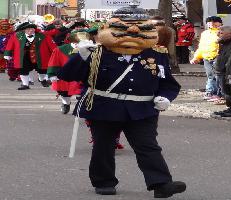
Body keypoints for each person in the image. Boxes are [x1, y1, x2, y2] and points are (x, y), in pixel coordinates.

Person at [58, 4, 186, 198]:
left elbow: (169, 84)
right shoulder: (97, 53)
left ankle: (161, 184)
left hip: (142, 109)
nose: (133, 31)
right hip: (104, 107)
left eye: (140, 27)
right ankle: (104, 181)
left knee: (148, 146)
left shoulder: (156, 54)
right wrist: (80, 57)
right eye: (125, 27)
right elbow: (67, 75)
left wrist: (165, 97)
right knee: (103, 146)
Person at [4, 22, 57, 90]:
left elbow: (52, 45)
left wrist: (56, 53)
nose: (31, 30)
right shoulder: (17, 35)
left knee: (42, 70)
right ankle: (25, 84)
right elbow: (10, 44)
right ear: (24, 30)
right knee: (23, 70)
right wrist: (7, 54)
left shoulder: (43, 35)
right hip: (23, 57)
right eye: (28, 29)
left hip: (40, 56)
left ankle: (42, 80)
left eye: (32, 29)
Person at [190, 16, 222, 99]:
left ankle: (218, 93)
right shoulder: (205, 33)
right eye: (209, 22)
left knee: (218, 76)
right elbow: (201, 47)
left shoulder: (221, 32)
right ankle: (210, 92)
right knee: (210, 75)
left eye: (214, 21)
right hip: (207, 57)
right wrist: (196, 57)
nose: (212, 23)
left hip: (218, 56)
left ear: (220, 23)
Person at [212, 26, 231, 105]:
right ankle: (230, 107)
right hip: (221, 71)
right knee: (225, 91)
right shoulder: (225, 43)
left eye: (221, 33)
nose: (218, 35)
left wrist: (226, 69)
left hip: (228, 72)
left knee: (230, 91)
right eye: (218, 33)